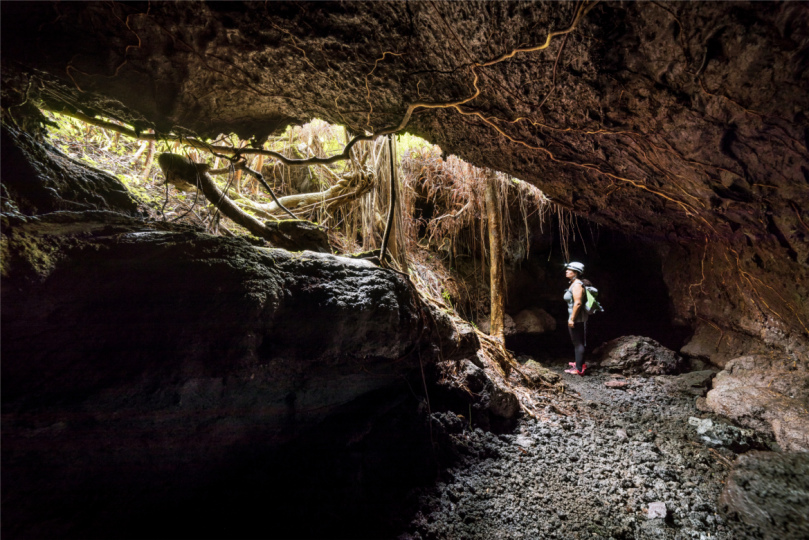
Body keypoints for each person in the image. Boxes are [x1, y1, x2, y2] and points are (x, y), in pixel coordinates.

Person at [563, 262, 589, 375]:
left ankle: (579, 369)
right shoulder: (574, 283)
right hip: (578, 317)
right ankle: (579, 363)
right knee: (578, 342)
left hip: (577, 318)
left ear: (576, 273)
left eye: (570, 270)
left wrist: (572, 319)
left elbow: (578, 303)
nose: (567, 271)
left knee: (577, 343)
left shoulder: (577, 285)